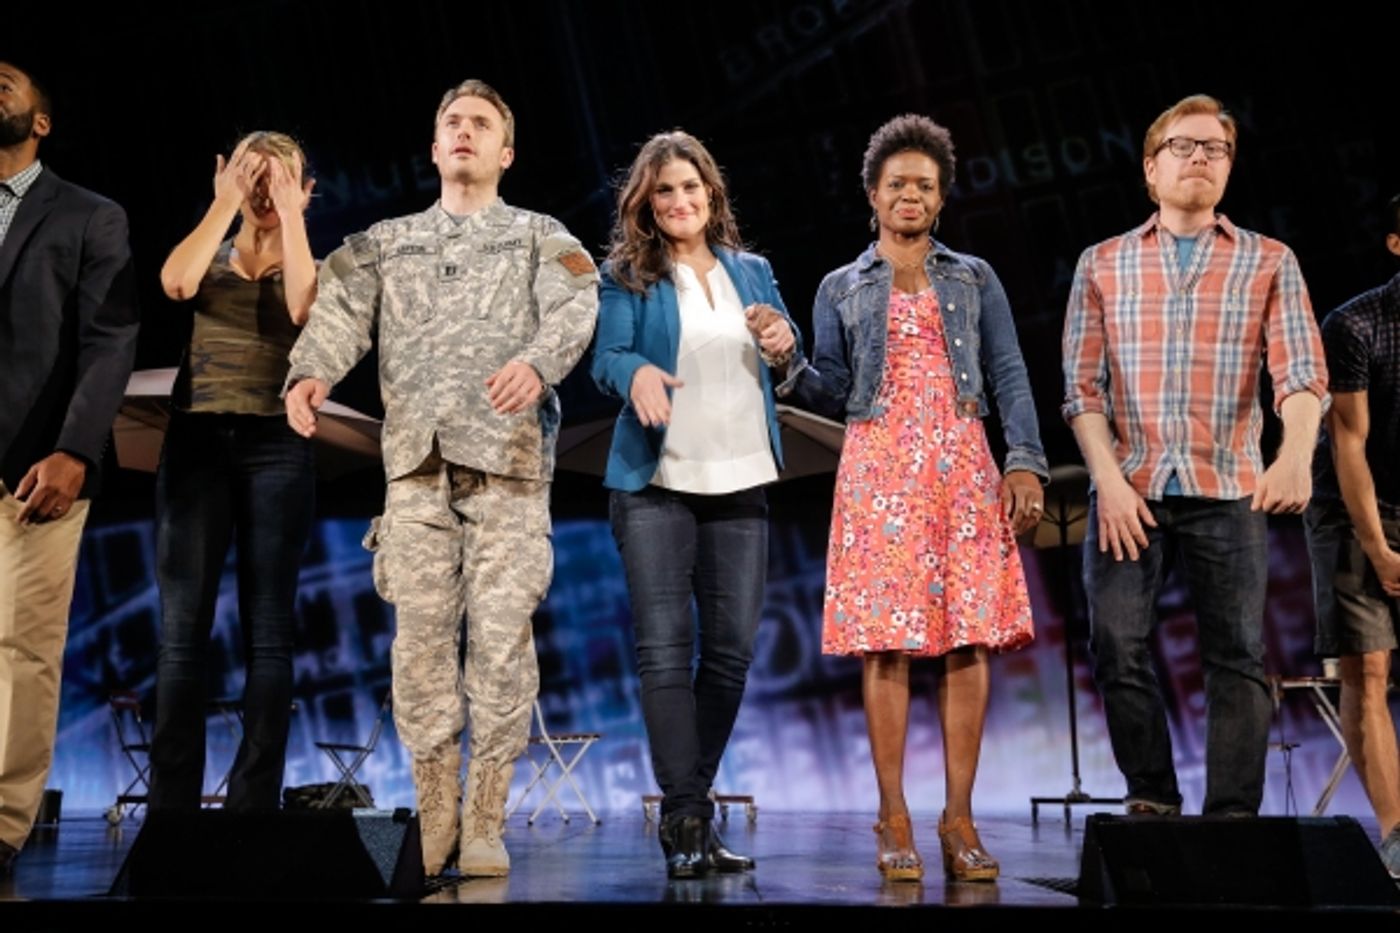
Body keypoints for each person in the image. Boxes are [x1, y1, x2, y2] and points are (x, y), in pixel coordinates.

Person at [284, 79, 598, 877]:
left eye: (481, 124)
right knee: (419, 648)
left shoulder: (538, 235)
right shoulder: (388, 240)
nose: (464, 132)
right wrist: (310, 372)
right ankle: (434, 811)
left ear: (506, 152)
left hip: (508, 471)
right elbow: (339, 306)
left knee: (499, 645)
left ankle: (486, 814)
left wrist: (535, 361)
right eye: (451, 122)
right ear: (433, 147)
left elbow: (576, 302)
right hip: (416, 473)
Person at [785, 114, 1047, 883]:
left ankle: (958, 815)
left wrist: (1023, 462)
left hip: (962, 465)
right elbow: (830, 390)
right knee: (886, 643)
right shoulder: (841, 285)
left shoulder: (974, 276)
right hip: (879, 471)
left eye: (924, 185)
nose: (910, 194)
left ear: (940, 198)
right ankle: (892, 813)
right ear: (873, 194)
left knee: (969, 639)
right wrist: (787, 361)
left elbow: (1009, 373)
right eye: (896, 183)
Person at [1061, 94, 1327, 817]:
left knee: (1237, 657)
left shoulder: (1269, 260)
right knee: (1117, 647)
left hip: (1228, 484)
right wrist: (1108, 482)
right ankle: (1151, 793)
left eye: (1216, 149)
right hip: (1131, 486)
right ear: (1152, 168)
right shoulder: (1103, 263)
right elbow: (1082, 390)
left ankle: (1233, 816)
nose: (1201, 158)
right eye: (1184, 146)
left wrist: (1296, 452)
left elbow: (1300, 373)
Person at [591, 130, 799, 879]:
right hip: (655, 484)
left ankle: (692, 803)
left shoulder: (754, 271)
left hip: (741, 478)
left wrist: (783, 337)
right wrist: (637, 371)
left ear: (712, 195)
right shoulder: (628, 277)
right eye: (665, 191)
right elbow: (607, 356)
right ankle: (684, 817)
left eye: (691, 187)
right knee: (664, 654)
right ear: (647, 205)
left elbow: (787, 350)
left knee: (733, 655)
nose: (680, 201)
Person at [147, 132, 318, 811]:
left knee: (270, 632)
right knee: (181, 634)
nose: (263, 189)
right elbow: (175, 282)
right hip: (195, 444)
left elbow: (306, 308)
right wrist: (224, 203)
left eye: (279, 178)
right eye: (252, 173)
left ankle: (252, 803)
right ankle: (171, 806)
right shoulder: (211, 252)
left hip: (277, 445)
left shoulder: (316, 262)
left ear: (306, 187)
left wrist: (293, 213)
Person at [0, 59, 139, 871]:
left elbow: (110, 340)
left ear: (41, 121)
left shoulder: (91, 215)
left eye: (9, 79)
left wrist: (75, 449)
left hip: (34, 467)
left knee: (21, 648)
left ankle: (4, 823)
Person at [1303, 193, 1400, 876]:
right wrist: (1380, 548)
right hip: (1352, 508)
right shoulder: (1355, 324)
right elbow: (1349, 445)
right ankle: (1396, 833)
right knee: (1368, 668)